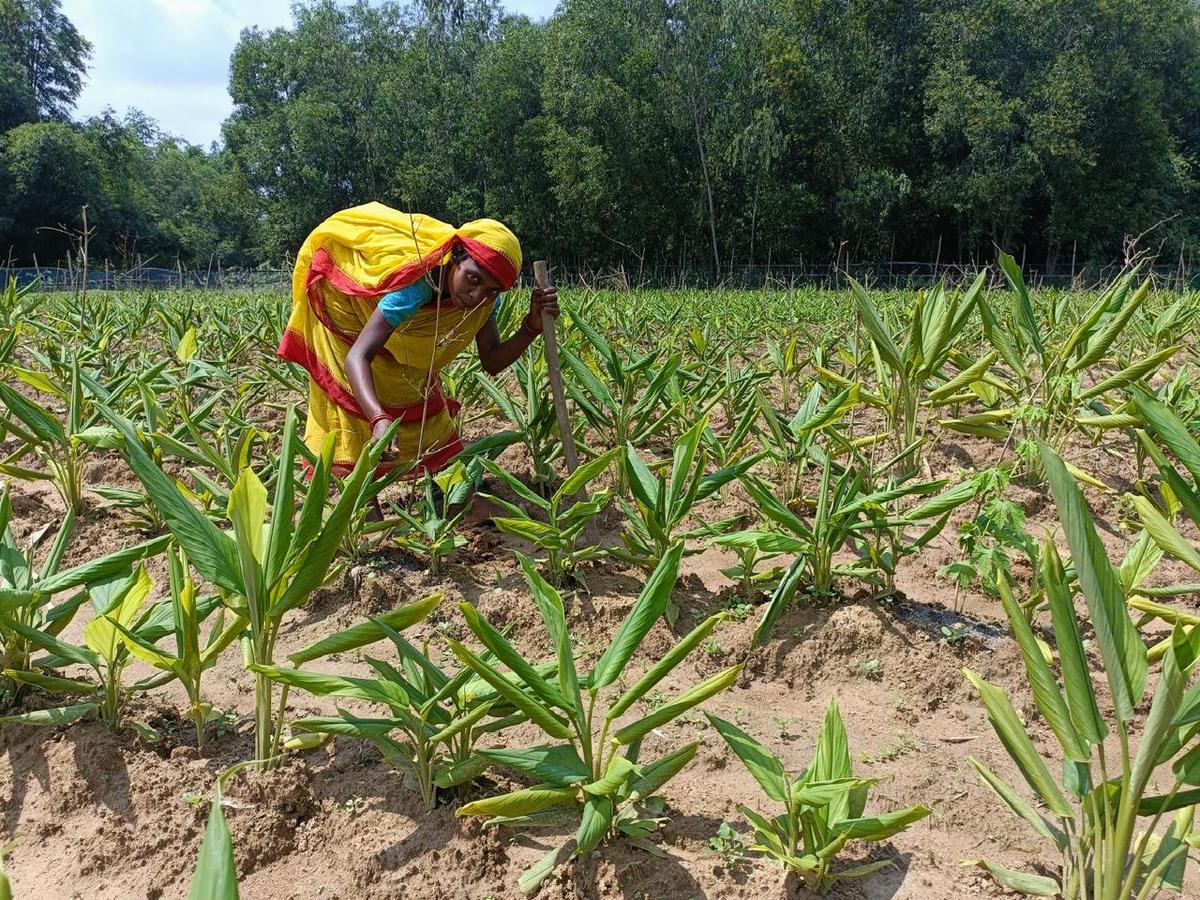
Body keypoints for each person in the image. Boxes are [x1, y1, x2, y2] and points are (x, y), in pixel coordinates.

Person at [278, 201, 558, 486]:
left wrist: (530, 328)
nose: (476, 295)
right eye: (472, 279)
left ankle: (457, 495)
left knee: (422, 401)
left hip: (386, 337)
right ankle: (364, 499)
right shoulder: (416, 287)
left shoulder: (484, 303)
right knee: (353, 405)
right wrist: (378, 419)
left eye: (491, 290)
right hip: (345, 313)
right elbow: (357, 357)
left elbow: (492, 361)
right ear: (456, 257)